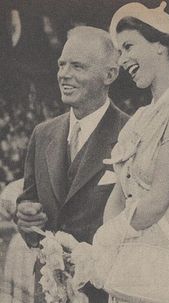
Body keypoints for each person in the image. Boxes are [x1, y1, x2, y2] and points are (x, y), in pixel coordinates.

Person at [57, 2, 169, 302]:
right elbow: (121, 191)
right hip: (131, 253)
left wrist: (107, 237)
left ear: (159, 45)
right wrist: (106, 249)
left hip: (166, 251)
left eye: (129, 46)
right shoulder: (141, 118)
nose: (123, 59)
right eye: (120, 50)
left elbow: (157, 201)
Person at [16, 26, 129, 303]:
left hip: (108, 290)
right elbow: (29, 207)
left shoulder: (132, 133)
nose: (64, 74)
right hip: (49, 289)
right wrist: (26, 217)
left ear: (110, 75)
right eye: (61, 64)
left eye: (77, 66)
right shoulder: (42, 134)